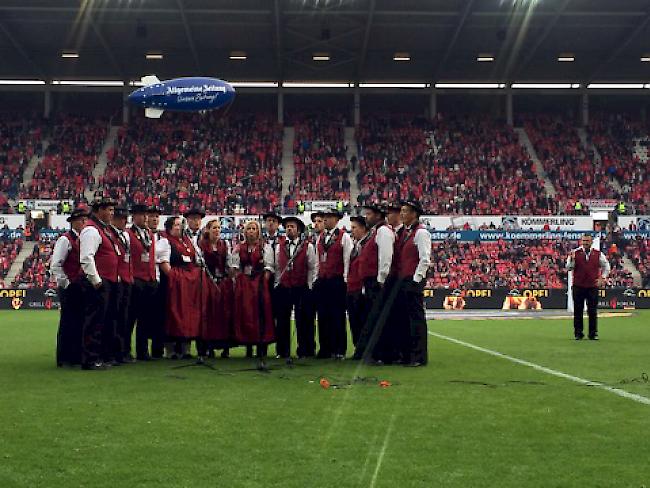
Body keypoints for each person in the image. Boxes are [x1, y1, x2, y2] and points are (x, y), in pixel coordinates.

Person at [267, 216, 317, 359]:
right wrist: (278, 283)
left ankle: (305, 350)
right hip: (284, 286)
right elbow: (277, 267)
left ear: (298, 230)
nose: (289, 228)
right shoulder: (279, 246)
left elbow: (312, 267)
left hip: (301, 287)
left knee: (304, 321)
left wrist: (309, 286)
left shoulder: (308, 246)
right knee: (282, 320)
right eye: (287, 226)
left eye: (292, 226)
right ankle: (282, 351)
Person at [79, 199, 120, 370]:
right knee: (94, 321)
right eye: (109, 210)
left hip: (106, 281)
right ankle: (90, 358)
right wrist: (96, 281)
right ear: (99, 210)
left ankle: (99, 356)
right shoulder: (91, 230)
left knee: (102, 321)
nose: (112, 213)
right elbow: (86, 257)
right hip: (97, 283)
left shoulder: (102, 229)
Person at [230, 220, 274, 369]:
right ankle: (248, 346)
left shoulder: (265, 247)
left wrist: (262, 282)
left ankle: (262, 347)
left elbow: (268, 268)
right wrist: (241, 281)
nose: (251, 231)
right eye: (249, 228)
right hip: (244, 285)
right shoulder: (238, 248)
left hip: (260, 284)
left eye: (254, 228)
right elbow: (235, 268)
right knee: (246, 314)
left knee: (261, 314)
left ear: (258, 231)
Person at [354, 203, 394, 360]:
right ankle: (375, 353)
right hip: (371, 281)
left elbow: (386, 256)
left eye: (369, 214)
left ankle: (381, 354)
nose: (366, 217)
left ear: (378, 215)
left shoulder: (383, 231)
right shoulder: (376, 231)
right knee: (373, 317)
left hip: (376, 282)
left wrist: (381, 279)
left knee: (378, 319)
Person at [158, 216, 202, 357]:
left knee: (187, 314)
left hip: (188, 285)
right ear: (170, 227)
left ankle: (185, 348)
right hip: (173, 285)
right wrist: (175, 278)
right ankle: (170, 350)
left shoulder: (189, 241)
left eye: (180, 225)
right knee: (172, 314)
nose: (179, 227)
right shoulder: (165, 242)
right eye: (176, 225)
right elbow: (164, 263)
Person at [51, 208, 89, 367]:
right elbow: (56, 264)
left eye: (86, 220)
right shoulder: (65, 239)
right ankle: (64, 357)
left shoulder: (83, 239)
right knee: (68, 322)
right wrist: (67, 283)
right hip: (70, 286)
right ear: (73, 222)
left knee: (80, 321)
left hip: (80, 285)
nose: (84, 223)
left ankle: (76, 355)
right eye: (82, 220)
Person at [314, 207, 353, 359]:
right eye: (324, 217)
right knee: (322, 316)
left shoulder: (344, 237)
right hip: (323, 280)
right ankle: (325, 348)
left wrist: (345, 280)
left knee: (337, 316)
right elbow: (318, 260)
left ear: (337, 220)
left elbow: (347, 260)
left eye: (329, 217)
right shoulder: (320, 237)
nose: (325, 219)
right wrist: (316, 278)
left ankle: (339, 349)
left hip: (337, 281)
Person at [395, 201, 431, 367]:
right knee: (405, 318)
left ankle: (419, 356)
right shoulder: (405, 232)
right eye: (401, 211)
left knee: (416, 319)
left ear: (414, 214)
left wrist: (416, 280)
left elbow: (425, 258)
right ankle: (408, 354)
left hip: (412, 280)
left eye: (405, 211)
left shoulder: (421, 233)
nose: (402, 214)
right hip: (404, 279)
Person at [198, 218, 233, 359]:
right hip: (208, 282)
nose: (217, 230)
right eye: (214, 228)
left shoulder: (225, 244)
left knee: (224, 314)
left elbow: (229, 264)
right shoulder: (201, 245)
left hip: (222, 282)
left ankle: (225, 347)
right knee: (209, 315)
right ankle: (208, 347)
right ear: (208, 230)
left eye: (219, 228)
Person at [126, 204, 158, 361]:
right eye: (142, 214)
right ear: (134, 217)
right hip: (136, 280)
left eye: (146, 214)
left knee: (145, 319)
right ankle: (125, 350)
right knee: (130, 318)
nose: (145, 217)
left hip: (149, 280)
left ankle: (143, 352)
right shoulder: (128, 234)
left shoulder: (150, 234)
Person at [566, 233, 610, 340]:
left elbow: (606, 266)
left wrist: (603, 278)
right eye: (584, 241)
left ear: (591, 242)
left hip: (592, 286)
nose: (585, 243)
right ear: (581, 241)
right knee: (578, 311)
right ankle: (578, 333)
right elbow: (568, 268)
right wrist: (572, 260)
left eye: (587, 241)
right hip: (578, 285)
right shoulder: (575, 253)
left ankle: (593, 333)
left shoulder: (598, 254)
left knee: (592, 311)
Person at [109, 206, 133, 364]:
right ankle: (113, 352)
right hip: (116, 280)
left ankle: (123, 351)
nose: (125, 222)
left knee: (125, 318)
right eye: (121, 219)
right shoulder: (110, 234)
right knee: (114, 319)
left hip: (126, 280)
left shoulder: (124, 235)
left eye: (126, 219)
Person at [346, 215, 370, 352]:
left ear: (363, 229)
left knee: (362, 320)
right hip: (351, 287)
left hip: (361, 288)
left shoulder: (366, 244)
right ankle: (358, 348)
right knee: (354, 321)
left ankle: (363, 349)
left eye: (354, 228)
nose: (352, 231)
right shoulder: (355, 245)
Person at [147, 206, 165, 358]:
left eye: (156, 216)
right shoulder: (138, 235)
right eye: (151, 216)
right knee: (143, 318)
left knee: (159, 317)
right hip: (143, 280)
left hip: (159, 282)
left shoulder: (163, 238)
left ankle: (157, 351)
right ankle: (141, 351)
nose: (154, 219)